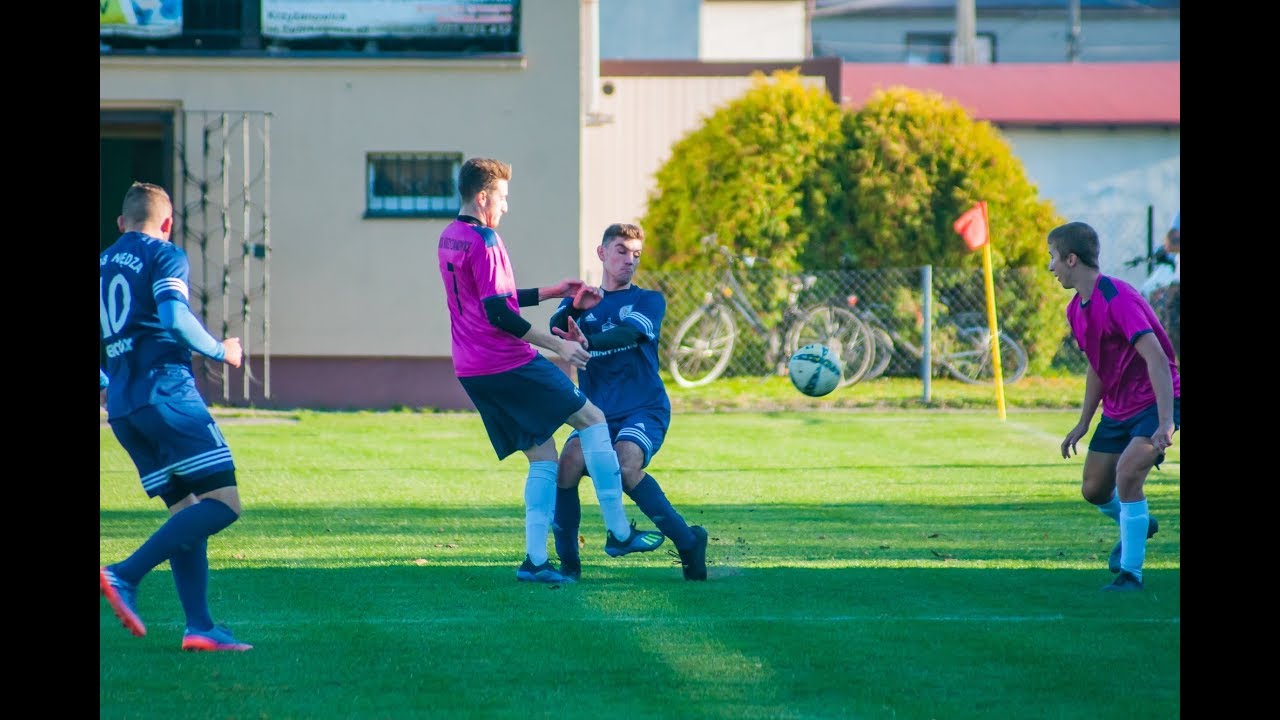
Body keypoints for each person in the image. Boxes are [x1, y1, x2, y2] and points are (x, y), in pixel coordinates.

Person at [436, 158, 664, 584]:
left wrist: (552, 292)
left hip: (470, 367)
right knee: (593, 420)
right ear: (483, 197)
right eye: (502, 197)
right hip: (505, 361)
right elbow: (499, 314)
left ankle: (535, 563)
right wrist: (557, 343)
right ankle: (618, 533)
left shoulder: (450, 237)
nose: (505, 206)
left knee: (543, 456)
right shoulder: (487, 240)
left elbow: (492, 297)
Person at [99, 181, 253, 651]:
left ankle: (200, 627)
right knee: (224, 503)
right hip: (167, 396)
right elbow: (173, 317)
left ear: (121, 223)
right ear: (167, 224)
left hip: (124, 408)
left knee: (187, 510)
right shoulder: (165, 255)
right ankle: (123, 574)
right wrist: (220, 350)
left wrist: (109, 387)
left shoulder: (103, 264)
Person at [548, 223, 709, 581]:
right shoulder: (581, 303)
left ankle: (686, 542)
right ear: (601, 253)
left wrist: (587, 342)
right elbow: (557, 325)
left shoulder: (648, 300)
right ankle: (568, 568)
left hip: (643, 408)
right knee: (567, 466)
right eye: (621, 250)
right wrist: (573, 309)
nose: (629, 260)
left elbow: (630, 333)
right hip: (595, 414)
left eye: (636, 254)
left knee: (625, 464)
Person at [1047, 221, 1181, 592]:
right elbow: (1098, 366)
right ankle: (1138, 521)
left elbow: (1156, 358)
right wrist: (1083, 423)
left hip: (1156, 401)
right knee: (1093, 489)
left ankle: (1130, 575)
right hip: (1119, 408)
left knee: (1127, 473)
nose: (1051, 267)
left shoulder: (1117, 299)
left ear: (1071, 259)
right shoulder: (1077, 310)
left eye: (1053, 258)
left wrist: (1167, 421)